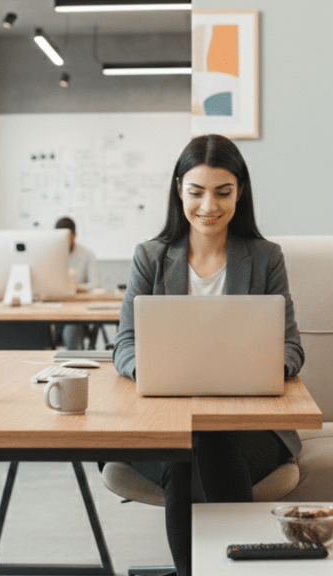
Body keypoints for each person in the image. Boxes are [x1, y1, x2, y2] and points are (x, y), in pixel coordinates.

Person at [111, 134, 304, 576]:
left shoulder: (265, 258)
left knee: (204, 440)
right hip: (162, 424)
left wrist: (259, 368)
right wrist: (154, 368)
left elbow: (292, 347)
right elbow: (124, 344)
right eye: (196, 192)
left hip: (245, 426)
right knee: (185, 445)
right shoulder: (151, 258)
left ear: (240, 192)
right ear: (179, 190)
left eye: (223, 192)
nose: (208, 206)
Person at [55, 217, 100, 350]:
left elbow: (95, 284)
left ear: (74, 236)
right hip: (55, 309)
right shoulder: (50, 254)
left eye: (66, 237)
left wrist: (74, 288)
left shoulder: (87, 255)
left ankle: (73, 363)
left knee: (71, 328)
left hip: (77, 313)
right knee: (35, 327)